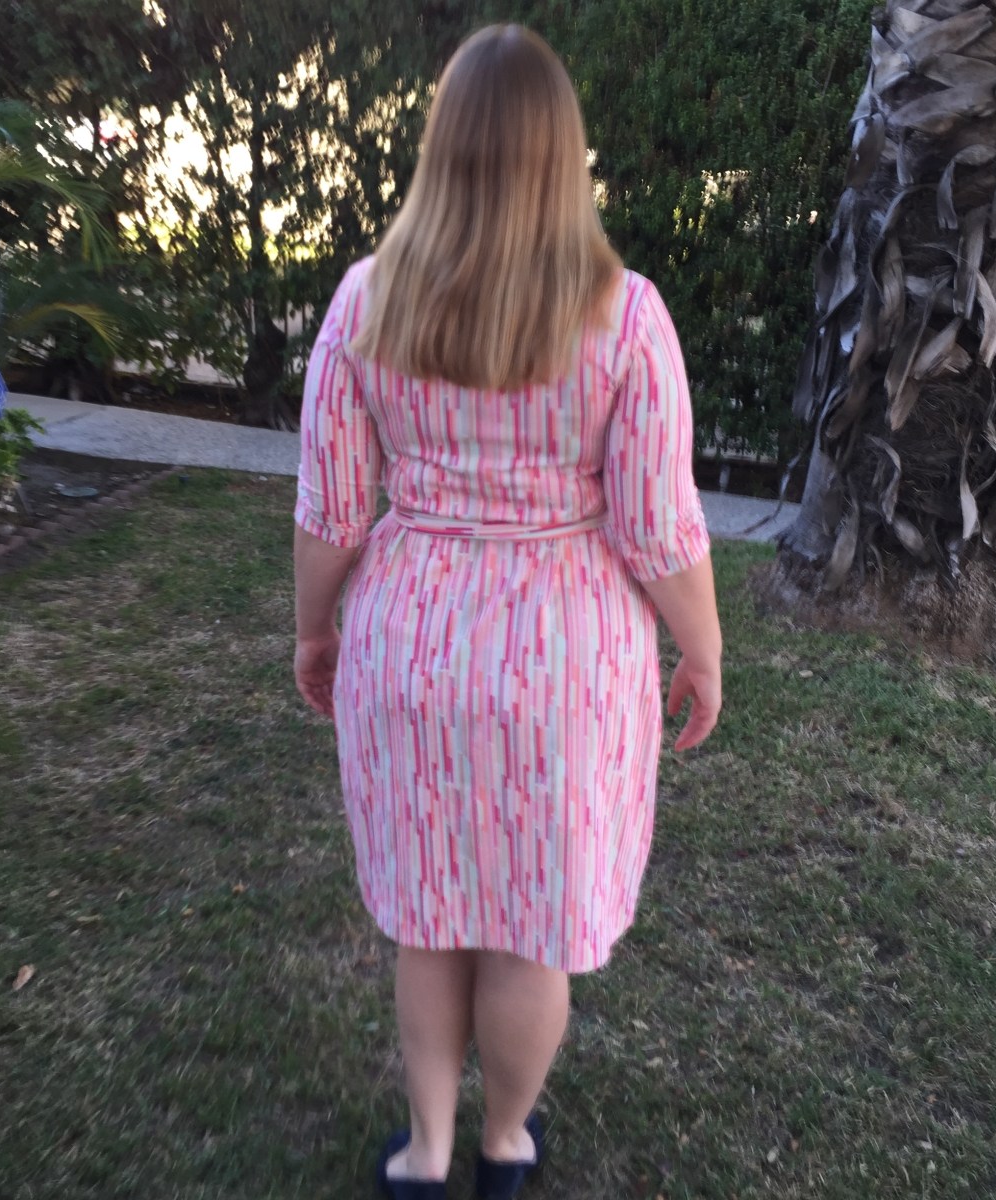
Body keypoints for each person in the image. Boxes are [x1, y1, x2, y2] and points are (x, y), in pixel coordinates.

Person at [292, 24, 722, 1200]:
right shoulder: (625, 315)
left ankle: (425, 1151)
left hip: (412, 644)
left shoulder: (367, 300)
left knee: (432, 916)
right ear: (561, 155)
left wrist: (315, 629)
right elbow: (658, 523)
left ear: (442, 147)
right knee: (529, 930)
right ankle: (503, 1147)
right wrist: (702, 648)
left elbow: (334, 508)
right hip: (563, 664)